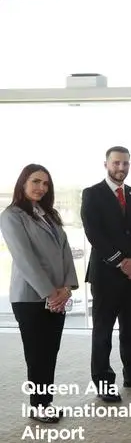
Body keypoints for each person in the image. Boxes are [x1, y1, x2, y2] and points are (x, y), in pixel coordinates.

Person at [81, 146, 131, 402]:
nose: (121, 168)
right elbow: (94, 233)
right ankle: (104, 382)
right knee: (103, 331)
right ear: (106, 164)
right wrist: (120, 262)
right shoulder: (92, 194)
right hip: (106, 274)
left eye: (125, 163)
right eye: (116, 163)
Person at [1, 165, 78, 423]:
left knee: (50, 352)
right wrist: (50, 293)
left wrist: (67, 288)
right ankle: (38, 406)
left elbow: (65, 251)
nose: (41, 187)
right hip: (30, 297)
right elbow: (25, 259)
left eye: (46, 184)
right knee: (37, 354)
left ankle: (46, 402)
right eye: (36, 181)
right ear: (23, 182)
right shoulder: (11, 216)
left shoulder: (49, 215)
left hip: (58, 295)